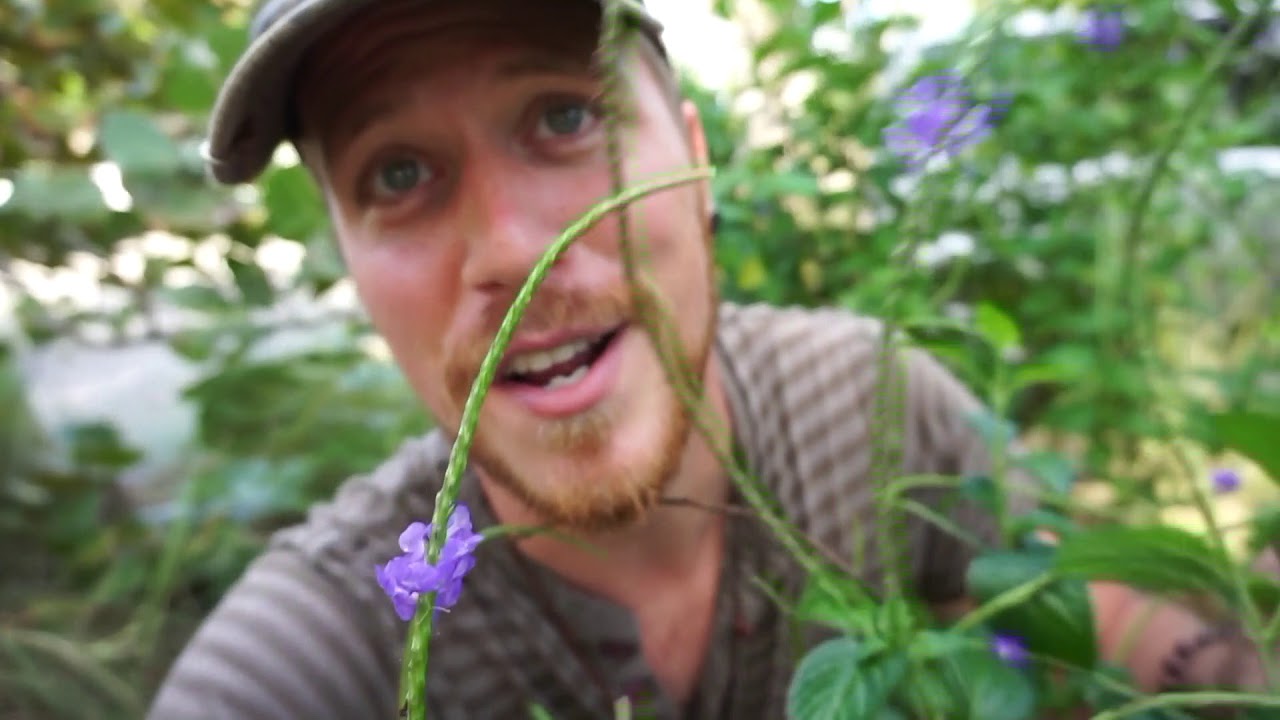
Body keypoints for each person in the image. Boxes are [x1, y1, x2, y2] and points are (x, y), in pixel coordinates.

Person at [147, 0, 1278, 717]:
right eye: (397, 174)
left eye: (561, 116)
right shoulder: (334, 637)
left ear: (693, 169)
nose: (510, 251)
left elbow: (1127, 630)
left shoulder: (875, 404)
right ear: (350, 263)